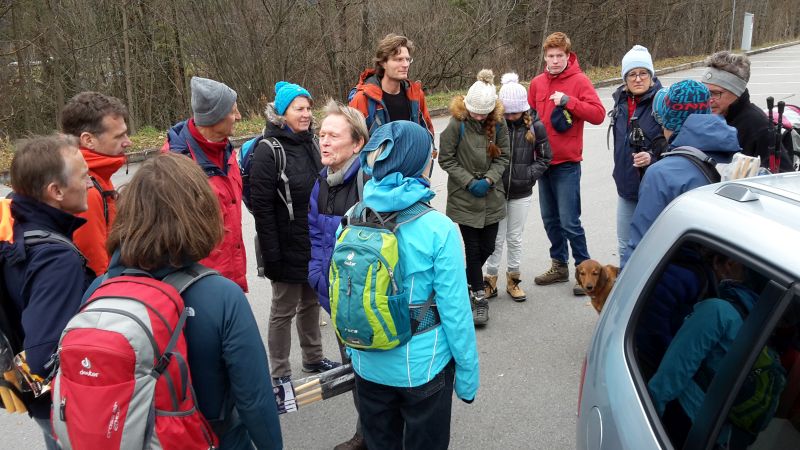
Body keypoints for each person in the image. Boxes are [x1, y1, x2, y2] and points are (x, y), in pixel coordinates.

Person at [97, 153, 282, 449]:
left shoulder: (99, 288)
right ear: (201, 213)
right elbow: (255, 399)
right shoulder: (221, 296)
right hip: (212, 438)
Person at [347, 120, 479, 450]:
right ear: (418, 163)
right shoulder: (438, 228)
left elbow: (348, 291)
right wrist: (467, 375)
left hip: (367, 363)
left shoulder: (353, 217)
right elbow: (456, 311)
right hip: (422, 367)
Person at [0, 135, 94, 449]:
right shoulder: (56, 259)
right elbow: (44, 357)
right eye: (83, 176)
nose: (89, 183)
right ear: (56, 191)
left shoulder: (13, 225)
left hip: (38, 403)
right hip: (63, 407)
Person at [250, 81, 337, 385]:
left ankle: (313, 357)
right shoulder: (268, 151)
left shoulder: (311, 143)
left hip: (312, 240)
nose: (306, 114)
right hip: (285, 246)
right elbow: (262, 210)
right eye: (299, 108)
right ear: (282, 113)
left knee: (311, 301)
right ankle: (279, 372)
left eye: (309, 108)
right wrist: (272, 256)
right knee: (283, 309)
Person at [648, 254, 762, 448]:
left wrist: (648, 413)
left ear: (731, 264)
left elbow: (675, 370)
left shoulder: (718, 310)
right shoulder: (759, 323)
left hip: (684, 415)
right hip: (716, 431)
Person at [307, 99, 369, 450]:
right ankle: (366, 432)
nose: (324, 142)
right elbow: (315, 235)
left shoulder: (369, 182)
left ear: (357, 143)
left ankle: (378, 433)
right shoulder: (321, 182)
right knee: (353, 368)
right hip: (333, 295)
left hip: (363, 300)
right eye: (322, 135)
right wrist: (317, 275)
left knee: (372, 371)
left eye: (333, 136)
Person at [624, 81, 739, 266]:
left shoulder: (662, 174)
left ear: (668, 120)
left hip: (681, 277)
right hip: (727, 270)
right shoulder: (738, 158)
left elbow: (641, 246)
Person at [527, 32, 606, 296]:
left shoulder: (579, 81)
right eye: (550, 56)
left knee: (569, 221)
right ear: (545, 57)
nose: (555, 60)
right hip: (542, 163)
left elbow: (598, 114)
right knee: (550, 219)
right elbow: (529, 117)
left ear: (568, 55)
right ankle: (559, 266)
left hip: (567, 164)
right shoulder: (537, 83)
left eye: (559, 55)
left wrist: (568, 101)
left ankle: (585, 271)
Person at [163, 76, 247, 292]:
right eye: (233, 111)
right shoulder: (175, 165)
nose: (239, 117)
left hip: (231, 278)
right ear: (214, 118)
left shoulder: (226, 150)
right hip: (198, 285)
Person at [439, 69, 509, 326]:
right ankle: (479, 297)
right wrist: (469, 181)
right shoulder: (456, 125)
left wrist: (489, 179)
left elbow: (504, 156)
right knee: (473, 248)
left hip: (491, 195)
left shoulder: (498, 124)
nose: (478, 116)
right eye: (475, 112)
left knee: (488, 246)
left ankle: (463, 281)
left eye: (483, 113)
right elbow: (446, 159)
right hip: (464, 197)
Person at [484, 72, 551, 302]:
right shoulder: (493, 125)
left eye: (515, 112)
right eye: (507, 112)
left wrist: (527, 175)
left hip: (521, 193)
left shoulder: (536, 127)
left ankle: (514, 281)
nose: (511, 117)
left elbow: (545, 158)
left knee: (515, 238)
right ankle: (489, 280)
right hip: (497, 191)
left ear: (524, 108)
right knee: (495, 239)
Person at [60, 91, 131, 277]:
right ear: (88, 140)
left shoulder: (98, 176)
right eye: (119, 136)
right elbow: (96, 270)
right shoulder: (86, 189)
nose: (128, 142)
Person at [610, 45, 667, 262]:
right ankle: (626, 284)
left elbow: (675, 144)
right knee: (625, 245)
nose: (637, 79)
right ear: (625, 79)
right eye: (632, 74)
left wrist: (652, 157)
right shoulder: (621, 102)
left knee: (653, 245)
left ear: (651, 76)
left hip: (654, 188)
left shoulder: (663, 103)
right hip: (626, 186)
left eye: (643, 73)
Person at [701, 51, 792, 172]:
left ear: (737, 91)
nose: (708, 99)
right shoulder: (703, 115)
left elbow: (783, 174)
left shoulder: (759, 126)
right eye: (704, 92)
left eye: (716, 93)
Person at [349, 33, 434, 138]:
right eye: (399, 59)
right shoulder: (363, 99)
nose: (406, 65)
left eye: (407, 59)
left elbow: (428, 133)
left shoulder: (416, 95)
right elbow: (352, 141)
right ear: (383, 63)